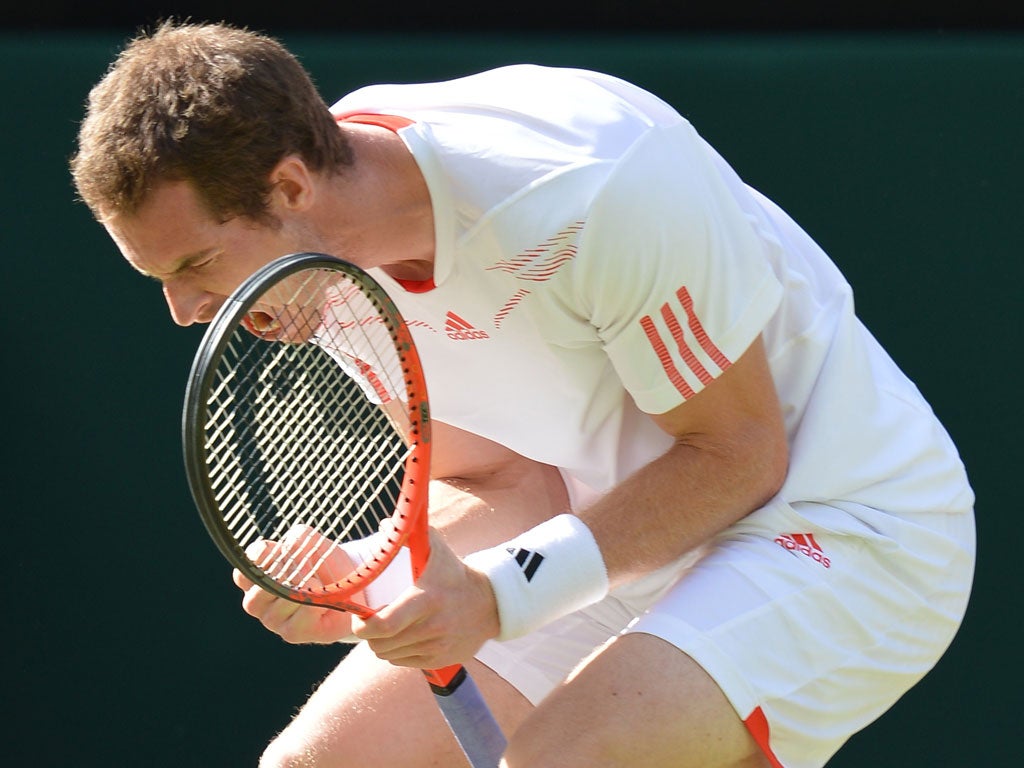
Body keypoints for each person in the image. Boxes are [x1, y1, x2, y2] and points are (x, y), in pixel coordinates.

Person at [71, 21, 976, 768]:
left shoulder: (589, 183)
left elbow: (740, 454)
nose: (189, 313)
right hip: (618, 534)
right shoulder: (318, 277)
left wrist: (498, 596)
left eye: (195, 265)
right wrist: (377, 575)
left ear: (291, 185)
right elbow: (510, 481)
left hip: (836, 527)